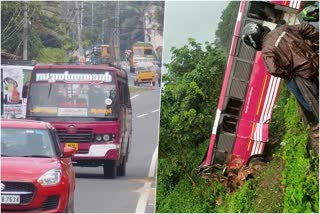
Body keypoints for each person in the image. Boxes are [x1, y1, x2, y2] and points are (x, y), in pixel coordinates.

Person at [241, 22, 319, 137]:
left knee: (315, 101)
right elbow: (306, 27)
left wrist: (289, 75)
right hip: (315, 61)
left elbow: (272, 69)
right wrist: (316, 45)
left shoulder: (266, 50)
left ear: (254, 42)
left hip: (302, 75)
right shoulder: (283, 28)